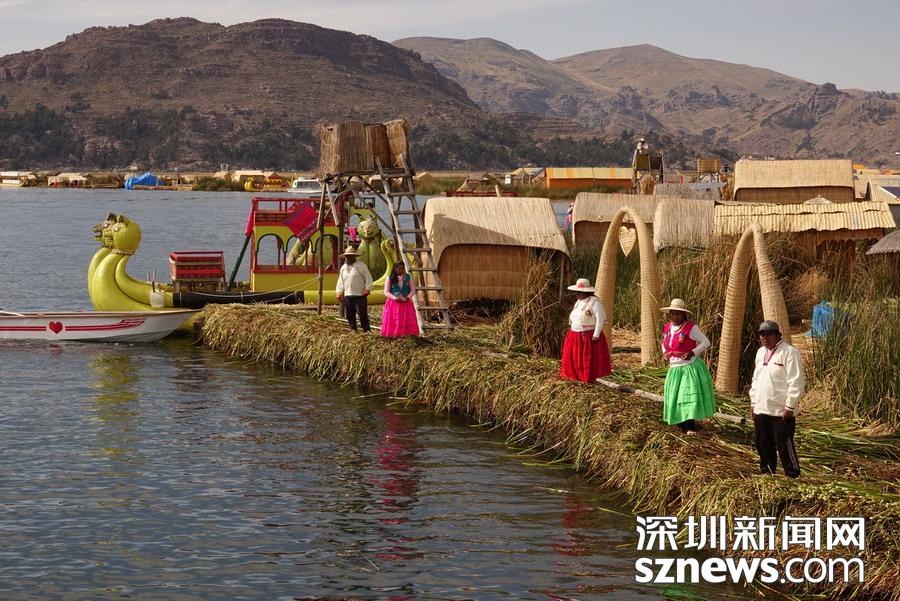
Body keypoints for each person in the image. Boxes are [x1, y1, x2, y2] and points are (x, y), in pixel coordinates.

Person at [749, 320, 804, 478]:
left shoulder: (789, 352)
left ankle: (792, 475)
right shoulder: (761, 352)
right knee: (763, 444)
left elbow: (796, 381)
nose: (765, 338)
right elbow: (756, 380)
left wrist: (790, 406)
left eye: (769, 334)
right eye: (762, 334)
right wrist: (753, 402)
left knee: (784, 446)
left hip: (781, 410)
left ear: (778, 335)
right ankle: (767, 474)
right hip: (761, 407)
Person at [659, 299, 716, 434]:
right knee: (676, 395)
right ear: (670, 314)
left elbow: (706, 342)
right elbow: (664, 343)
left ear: (684, 314)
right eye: (673, 313)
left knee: (687, 397)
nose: (675, 317)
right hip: (674, 368)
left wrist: (692, 352)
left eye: (678, 314)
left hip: (688, 367)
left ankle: (690, 426)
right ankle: (680, 423)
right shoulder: (667, 327)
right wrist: (665, 353)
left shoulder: (691, 328)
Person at [560, 278, 612, 383]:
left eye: (579, 292)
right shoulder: (578, 302)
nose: (576, 294)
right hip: (575, 335)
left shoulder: (595, 302)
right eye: (576, 292)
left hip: (587, 336)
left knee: (585, 358)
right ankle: (574, 376)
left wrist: (596, 335)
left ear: (586, 292)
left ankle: (586, 377)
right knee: (573, 356)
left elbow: (600, 319)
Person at [335, 246, 373, 332]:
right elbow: (341, 281)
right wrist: (339, 292)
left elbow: (368, 278)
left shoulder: (361, 266)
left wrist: (367, 289)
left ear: (354, 256)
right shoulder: (343, 268)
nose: (349, 257)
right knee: (350, 314)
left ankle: (366, 330)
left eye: (351, 256)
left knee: (362, 314)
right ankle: (353, 330)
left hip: (360, 295)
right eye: (347, 256)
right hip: (348, 295)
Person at [381, 261, 419, 337]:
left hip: (406, 303)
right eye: (399, 269)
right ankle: (394, 334)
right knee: (395, 319)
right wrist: (395, 298)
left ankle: (407, 334)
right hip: (393, 304)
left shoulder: (408, 277)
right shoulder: (390, 278)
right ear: (395, 269)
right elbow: (386, 292)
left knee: (405, 319)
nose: (401, 270)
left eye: (402, 268)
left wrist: (408, 297)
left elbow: (413, 290)